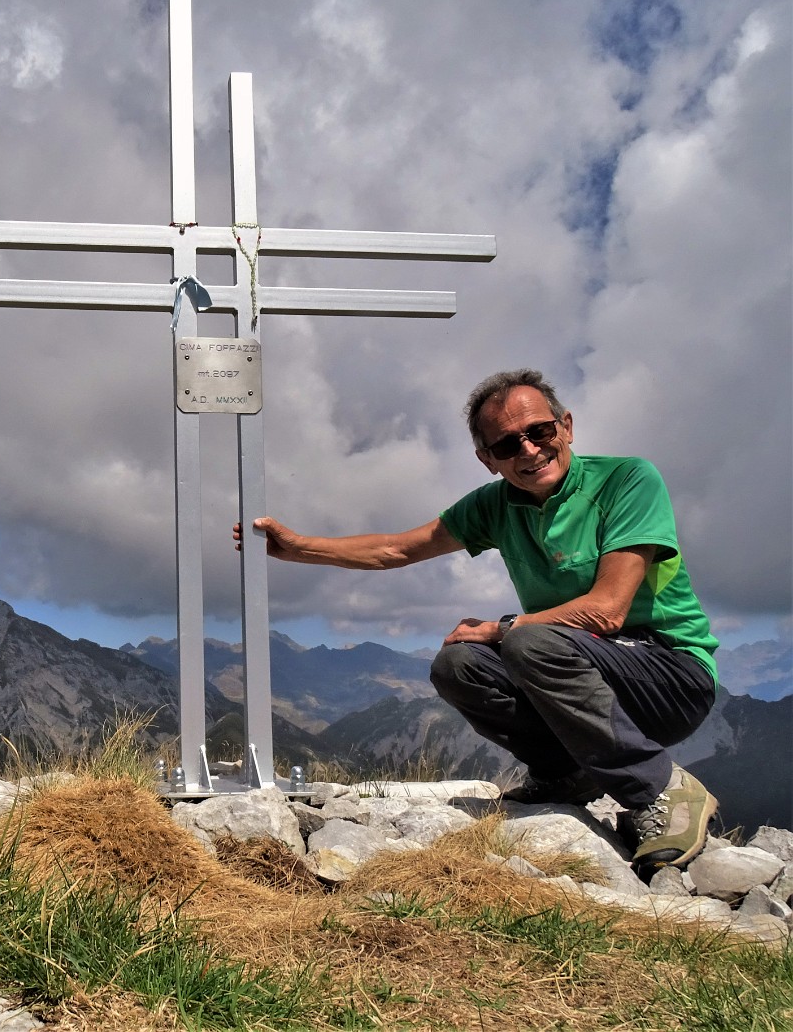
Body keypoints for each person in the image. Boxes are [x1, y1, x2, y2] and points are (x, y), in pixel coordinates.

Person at [234, 369, 719, 879]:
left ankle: (660, 788)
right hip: (582, 672)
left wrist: (502, 628)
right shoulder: (496, 505)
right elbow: (398, 548)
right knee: (458, 665)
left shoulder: (627, 480)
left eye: (540, 431)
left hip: (669, 675)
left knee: (525, 641)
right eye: (507, 444)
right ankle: (566, 774)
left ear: (567, 426)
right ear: (486, 459)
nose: (529, 451)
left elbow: (607, 610)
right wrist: (299, 548)